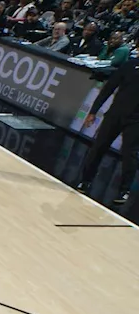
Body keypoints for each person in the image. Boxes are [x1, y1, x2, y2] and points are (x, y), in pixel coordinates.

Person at [76, 55, 139, 205]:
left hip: (136, 120)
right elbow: (108, 88)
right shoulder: (130, 65)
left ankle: (124, 190)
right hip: (115, 114)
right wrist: (93, 111)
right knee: (98, 147)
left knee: (129, 154)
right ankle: (86, 180)